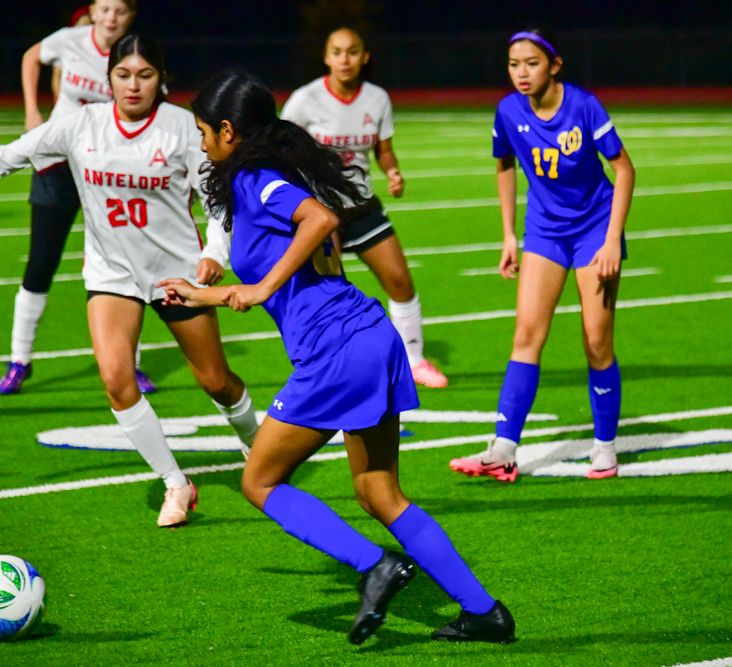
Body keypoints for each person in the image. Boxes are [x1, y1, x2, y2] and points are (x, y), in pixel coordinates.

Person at [157, 68, 515, 644]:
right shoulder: (278, 176)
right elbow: (297, 261)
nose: (201, 145)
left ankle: (375, 565)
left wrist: (259, 288)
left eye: (203, 133)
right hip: (368, 334)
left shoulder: (256, 180)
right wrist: (205, 294)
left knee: (260, 482)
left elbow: (319, 222)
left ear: (228, 131)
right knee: (378, 492)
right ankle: (484, 612)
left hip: (336, 351)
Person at [0, 35, 259, 528]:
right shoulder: (82, 124)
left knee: (216, 380)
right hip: (112, 273)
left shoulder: (182, 128)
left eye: (145, 75)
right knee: (116, 380)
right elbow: (11, 154)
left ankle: (257, 446)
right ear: (108, 78)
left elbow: (216, 201)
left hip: (176, 274)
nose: (133, 85)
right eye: (123, 75)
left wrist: (214, 253)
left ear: (162, 80)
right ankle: (176, 483)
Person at [449, 28, 635, 483]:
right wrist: (508, 234)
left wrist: (612, 239)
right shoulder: (508, 111)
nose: (521, 73)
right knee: (526, 336)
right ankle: (503, 449)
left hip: (594, 229)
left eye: (531, 63)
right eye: (514, 64)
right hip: (545, 232)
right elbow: (504, 165)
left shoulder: (584, 106)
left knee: (596, 341)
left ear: (554, 65)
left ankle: (605, 448)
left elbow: (624, 170)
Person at [4, 0, 168, 395]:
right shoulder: (69, 40)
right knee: (41, 263)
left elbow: (156, 108)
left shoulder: (137, 55)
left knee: (125, 268)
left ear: (131, 16)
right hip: (57, 165)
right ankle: (19, 360)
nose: (111, 18)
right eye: (105, 9)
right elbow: (31, 57)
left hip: (109, 174)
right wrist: (32, 110)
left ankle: (130, 364)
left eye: (120, 11)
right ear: (92, 11)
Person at [280, 27, 448, 389]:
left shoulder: (377, 98)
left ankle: (415, 361)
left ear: (365, 57)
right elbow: (280, 150)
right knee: (328, 291)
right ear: (326, 57)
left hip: (362, 205)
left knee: (400, 280)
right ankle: (327, 366)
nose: (345, 59)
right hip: (321, 212)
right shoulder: (305, 100)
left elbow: (383, 149)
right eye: (337, 52)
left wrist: (393, 172)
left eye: (353, 52)